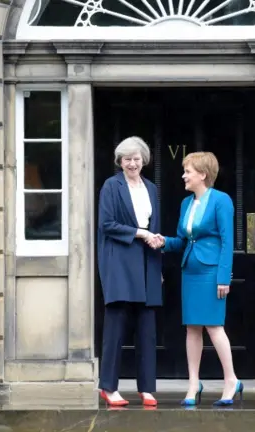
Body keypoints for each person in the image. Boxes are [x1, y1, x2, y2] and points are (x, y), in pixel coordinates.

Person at [149, 151, 243, 406]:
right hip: (189, 270)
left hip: (212, 272)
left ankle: (231, 380)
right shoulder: (186, 203)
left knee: (214, 326)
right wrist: (163, 242)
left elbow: (227, 242)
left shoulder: (221, 201)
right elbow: (183, 240)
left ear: (203, 174)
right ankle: (193, 383)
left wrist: (224, 277)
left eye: (188, 171)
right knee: (192, 328)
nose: (184, 176)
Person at [96, 136, 163, 407]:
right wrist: (141, 233)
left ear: (143, 160)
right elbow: (107, 224)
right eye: (127, 159)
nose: (132, 163)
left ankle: (147, 388)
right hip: (120, 261)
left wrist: (158, 261)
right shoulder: (111, 186)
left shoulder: (151, 187)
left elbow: (154, 224)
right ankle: (108, 387)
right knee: (116, 326)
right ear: (120, 162)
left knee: (147, 328)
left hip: (148, 261)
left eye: (136, 158)